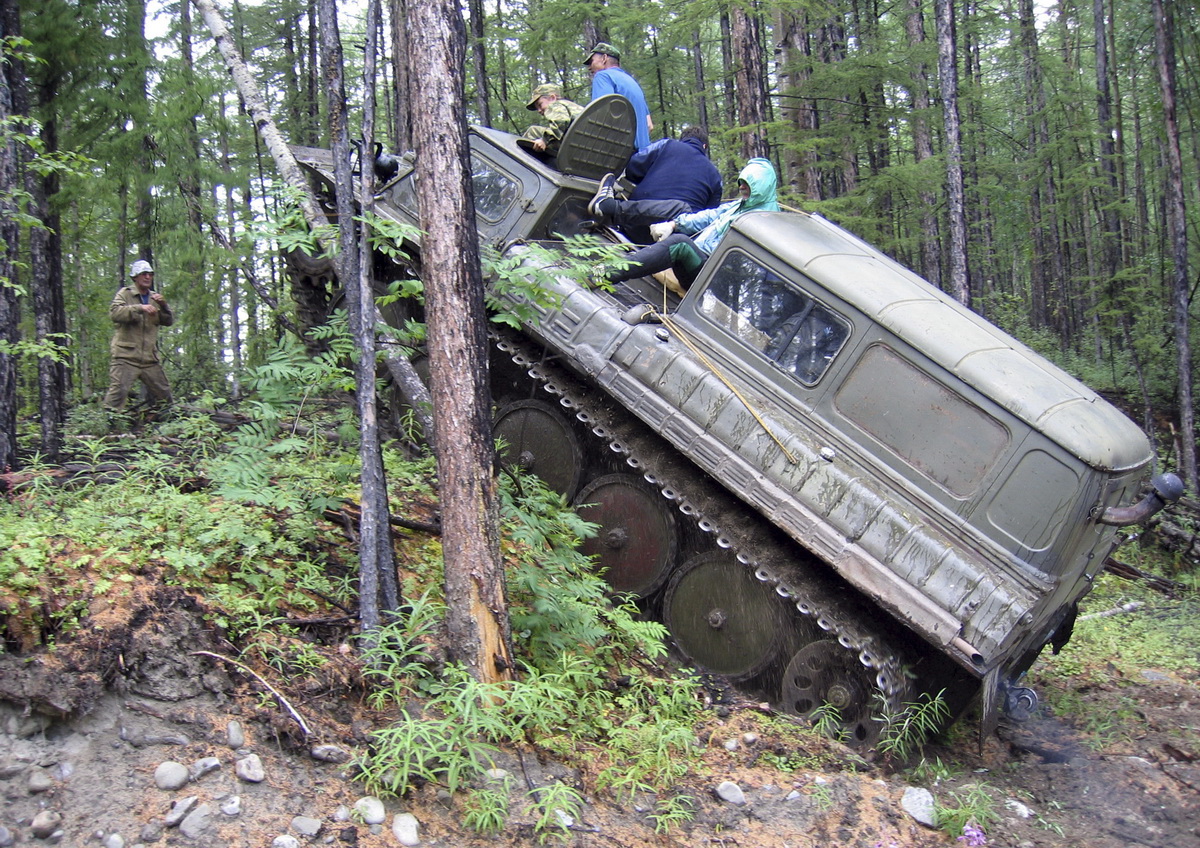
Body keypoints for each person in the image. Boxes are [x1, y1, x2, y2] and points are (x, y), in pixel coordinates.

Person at [602, 157, 779, 291]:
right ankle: (612, 209)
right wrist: (673, 224)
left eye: (748, 185)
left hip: (713, 281)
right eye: (742, 183)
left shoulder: (765, 220)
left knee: (681, 245)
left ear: (761, 187)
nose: (742, 188)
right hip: (702, 261)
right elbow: (709, 216)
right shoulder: (741, 205)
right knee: (680, 210)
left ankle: (605, 273)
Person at [587, 126, 723, 243]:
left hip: (633, 225)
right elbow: (708, 219)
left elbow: (633, 168)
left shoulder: (667, 145)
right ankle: (608, 208)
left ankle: (610, 208)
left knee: (681, 209)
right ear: (704, 147)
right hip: (672, 243)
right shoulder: (716, 177)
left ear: (682, 140)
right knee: (685, 212)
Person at [103, 259, 175, 415]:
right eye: (143, 274)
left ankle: (172, 425)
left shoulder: (155, 298)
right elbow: (115, 313)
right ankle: (107, 427)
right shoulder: (125, 294)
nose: (147, 277)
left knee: (164, 394)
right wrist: (139, 308)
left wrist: (164, 306)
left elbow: (168, 321)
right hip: (126, 356)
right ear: (135, 277)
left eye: (150, 274)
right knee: (117, 393)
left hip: (149, 358)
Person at [584, 43, 652, 150]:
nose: (589, 68)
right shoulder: (631, 82)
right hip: (643, 156)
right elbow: (649, 125)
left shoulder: (603, 76)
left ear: (604, 58)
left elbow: (602, 115)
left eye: (591, 62)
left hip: (620, 154)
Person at [521, 83, 585, 157]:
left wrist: (544, 140)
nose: (539, 110)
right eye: (537, 108)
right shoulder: (574, 107)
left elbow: (561, 121)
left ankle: (520, 160)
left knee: (533, 131)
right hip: (584, 144)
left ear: (552, 98)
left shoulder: (555, 105)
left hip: (571, 144)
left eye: (540, 104)